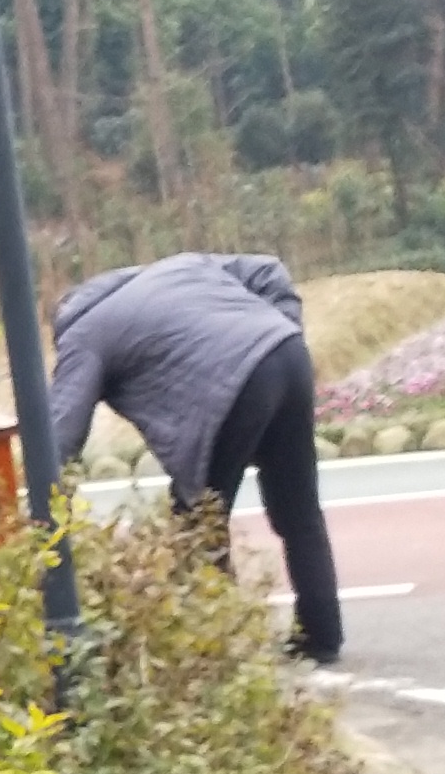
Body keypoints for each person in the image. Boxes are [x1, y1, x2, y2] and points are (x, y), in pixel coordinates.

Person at [44, 248, 343, 662]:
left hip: (227, 391)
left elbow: (61, 433)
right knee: (299, 512)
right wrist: (280, 334)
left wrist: (45, 502)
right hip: (287, 352)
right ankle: (322, 637)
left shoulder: (83, 334)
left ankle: (225, 651)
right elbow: (267, 268)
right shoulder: (183, 265)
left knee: (198, 523)